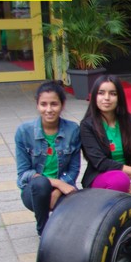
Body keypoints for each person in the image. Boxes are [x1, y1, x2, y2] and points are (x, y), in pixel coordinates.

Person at [15, 81, 80, 236]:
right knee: (41, 184)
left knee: (75, 211)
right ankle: (43, 230)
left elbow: (74, 169)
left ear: (62, 105)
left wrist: (57, 191)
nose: (49, 109)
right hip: (34, 191)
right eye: (43, 104)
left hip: (63, 188)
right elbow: (24, 174)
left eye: (54, 104)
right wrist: (56, 183)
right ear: (37, 105)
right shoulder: (24, 132)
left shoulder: (73, 130)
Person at [80, 75, 131, 201]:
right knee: (119, 181)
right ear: (94, 96)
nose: (106, 98)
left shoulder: (130, 121)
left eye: (112, 94)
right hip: (101, 176)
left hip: (129, 177)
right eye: (101, 93)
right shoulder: (87, 125)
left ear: (119, 97)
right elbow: (100, 162)